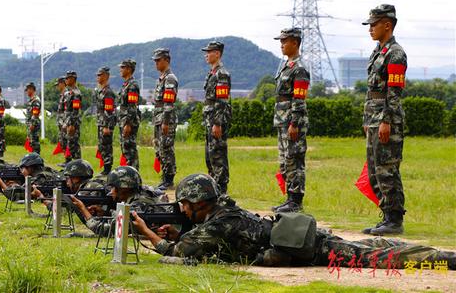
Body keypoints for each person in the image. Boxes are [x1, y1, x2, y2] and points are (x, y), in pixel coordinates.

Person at [131, 174, 456, 269]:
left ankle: (447, 260)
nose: (183, 209)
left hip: (311, 248)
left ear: (200, 202)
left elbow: (178, 252)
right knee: (376, 246)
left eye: (186, 204)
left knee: (383, 258)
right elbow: (195, 238)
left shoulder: (217, 223)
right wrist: (177, 231)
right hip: (304, 239)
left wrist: (146, 232)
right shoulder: (221, 213)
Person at [361, 4, 408, 236]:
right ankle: (386, 215)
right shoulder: (377, 52)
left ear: (387, 25)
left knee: (387, 168)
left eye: (374, 24)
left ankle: (394, 219)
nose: (370, 28)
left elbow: (394, 91)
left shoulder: (396, 53)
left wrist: (386, 120)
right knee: (374, 170)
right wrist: (367, 118)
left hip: (386, 118)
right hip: (373, 117)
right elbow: (371, 91)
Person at [272, 28, 310, 213]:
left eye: (285, 41)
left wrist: (294, 123)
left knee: (294, 160)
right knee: (285, 161)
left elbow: (299, 98)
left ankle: (295, 200)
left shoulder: (299, 68)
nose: (281, 44)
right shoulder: (286, 66)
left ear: (295, 43)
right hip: (282, 121)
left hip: (292, 122)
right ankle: (289, 198)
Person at [71, 166, 157, 236]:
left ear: (124, 188)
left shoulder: (139, 203)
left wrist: (83, 209)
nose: (111, 192)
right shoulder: (137, 197)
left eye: (113, 187)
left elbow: (105, 230)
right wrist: (106, 212)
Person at [201, 41, 232, 194]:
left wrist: (217, 123)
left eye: (209, 51)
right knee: (210, 155)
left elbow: (222, 100)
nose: (206, 54)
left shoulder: (222, 74)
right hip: (209, 120)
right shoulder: (211, 73)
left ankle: (222, 189)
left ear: (218, 53)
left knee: (218, 154)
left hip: (216, 121)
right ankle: (214, 187)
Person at [152, 48, 179, 190]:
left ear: (166, 60)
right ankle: (164, 177)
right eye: (155, 60)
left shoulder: (170, 78)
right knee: (160, 149)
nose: (156, 63)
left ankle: (169, 179)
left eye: (158, 60)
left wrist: (166, 122)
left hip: (165, 119)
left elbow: (168, 102)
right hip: (159, 118)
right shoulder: (162, 78)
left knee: (166, 148)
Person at [117, 59, 141, 170]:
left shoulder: (132, 85)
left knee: (130, 147)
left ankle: (133, 172)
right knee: (125, 147)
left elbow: (132, 107)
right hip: (123, 120)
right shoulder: (125, 84)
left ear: (129, 69)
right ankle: (128, 171)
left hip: (129, 121)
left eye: (122, 67)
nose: (120, 70)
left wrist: (128, 124)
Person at [94, 66, 117, 175]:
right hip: (101, 122)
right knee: (102, 145)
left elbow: (109, 110)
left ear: (106, 76)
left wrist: (107, 126)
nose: (98, 77)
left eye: (100, 75)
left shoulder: (108, 92)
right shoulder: (100, 91)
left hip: (106, 124)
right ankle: (105, 167)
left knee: (106, 145)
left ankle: (107, 169)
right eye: (97, 75)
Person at [63, 71, 83, 161]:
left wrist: (71, 124)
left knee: (74, 143)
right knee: (69, 142)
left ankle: (78, 163)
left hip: (73, 122)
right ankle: (69, 163)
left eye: (67, 78)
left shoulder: (76, 93)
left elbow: (75, 111)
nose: (66, 80)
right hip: (68, 121)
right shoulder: (69, 92)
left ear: (73, 79)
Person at [25, 82, 41, 154]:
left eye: (28, 89)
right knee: (31, 142)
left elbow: (35, 113)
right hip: (30, 124)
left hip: (34, 124)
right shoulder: (30, 100)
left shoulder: (35, 100)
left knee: (34, 142)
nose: (27, 91)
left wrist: (33, 124)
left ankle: (37, 156)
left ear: (32, 89)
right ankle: (33, 157)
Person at [55, 76, 68, 162]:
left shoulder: (67, 94)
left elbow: (67, 110)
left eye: (58, 84)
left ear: (63, 83)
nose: (57, 86)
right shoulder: (62, 95)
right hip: (61, 122)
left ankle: (68, 160)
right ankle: (66, 160)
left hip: (64, 122)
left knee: (66, 141)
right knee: (63, 141)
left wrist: (66, 123)